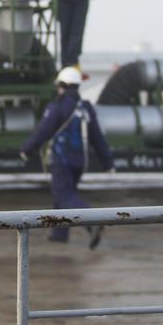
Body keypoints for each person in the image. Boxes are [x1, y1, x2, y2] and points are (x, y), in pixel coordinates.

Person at [19, 66, 115, 247]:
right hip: (80, 162)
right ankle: (59, 234)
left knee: (64, 196)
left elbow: (43, 131)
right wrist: (108, 162)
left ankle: (93, 222)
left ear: (61, 85)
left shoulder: (58, 106)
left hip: (62, 160)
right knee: (61, 197)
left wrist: (27, 150)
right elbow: (97, 137)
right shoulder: (85, 108)